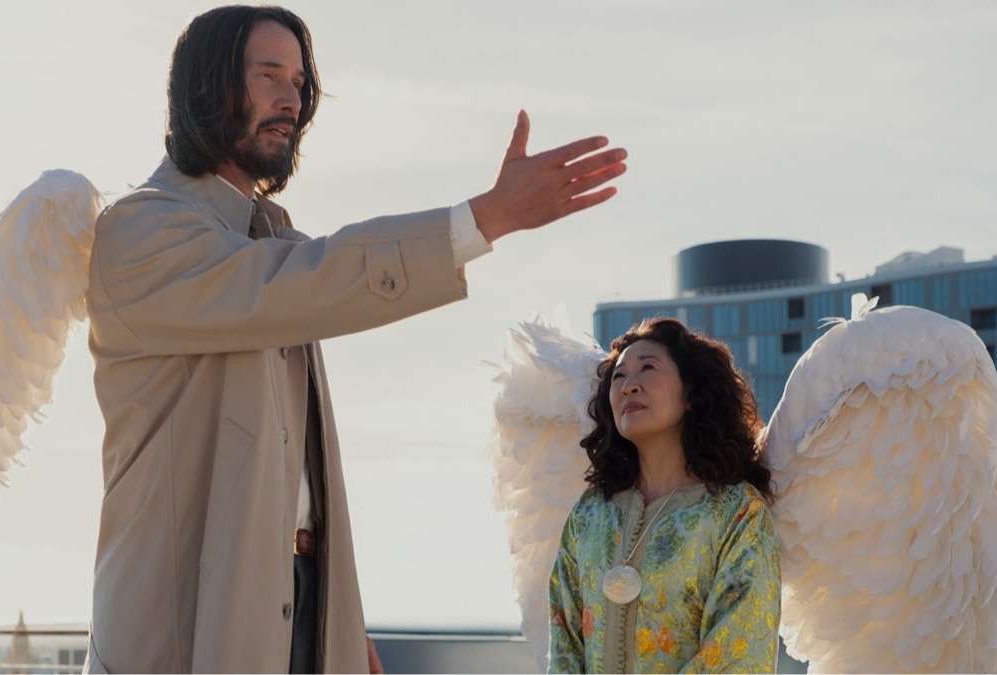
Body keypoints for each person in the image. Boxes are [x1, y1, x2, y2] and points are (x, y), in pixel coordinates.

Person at [83, 5, 628, 674]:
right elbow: (306, 280)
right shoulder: (141, 231)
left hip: (298, 608)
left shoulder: (268, 239)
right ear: (207, 86)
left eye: (299, 82)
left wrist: (335, 615)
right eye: (268, 75)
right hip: (180, 629)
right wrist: (483, 219)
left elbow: (290, 469)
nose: (292, 100)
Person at [548, 318, 780, 673]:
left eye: (647, 368)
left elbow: (740, 652)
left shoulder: (737, 512)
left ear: (691, 393)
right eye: (619, 376)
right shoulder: (590, 514)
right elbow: (563, 640)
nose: (628, 386)